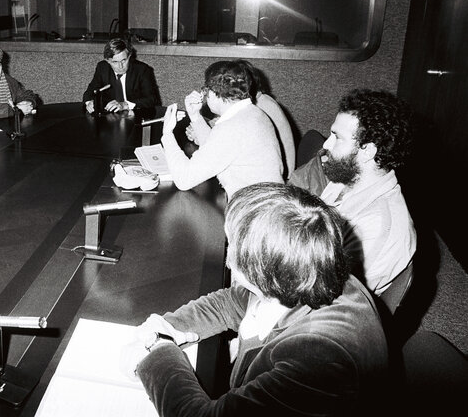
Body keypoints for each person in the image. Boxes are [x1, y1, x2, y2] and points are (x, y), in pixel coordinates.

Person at [122, 182, 388, 416]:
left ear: (261, 268)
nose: (227, 255)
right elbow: (230, 302)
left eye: (232, 244)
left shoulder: (320, 359)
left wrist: (156, 351)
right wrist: (167, 327)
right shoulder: (308, 269)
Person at [289, 89, 415, 296]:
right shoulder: (347, 180)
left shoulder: (378, 225)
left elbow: (332, 296)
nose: (326, 144)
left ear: (368, 151)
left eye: (337, 138)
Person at [162, 59, 283, 197]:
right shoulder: (254, 113)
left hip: (252, 211)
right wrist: (195, 116)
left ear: (214, 93)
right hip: (269, 203)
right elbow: (213, 148)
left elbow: (184, 179)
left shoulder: (231, 127)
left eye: (206, 89)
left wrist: (167, 134)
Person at [83, 38, 161, 113]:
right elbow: (89, 93)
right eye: (115, 62)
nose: (120, 66)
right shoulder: (102, 68)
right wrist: (89, 103)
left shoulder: (142, 70)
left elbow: (152, 99)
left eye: (124, 60)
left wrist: (124, 105)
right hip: (110, 117)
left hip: (135, 116)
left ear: (129, 56)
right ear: (108, 61)